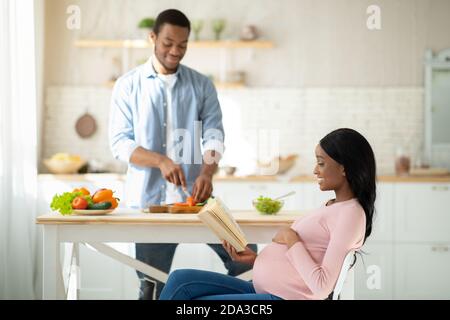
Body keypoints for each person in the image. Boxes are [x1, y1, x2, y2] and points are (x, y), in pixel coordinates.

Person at [109, 9, 256, 300]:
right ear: (153, 37)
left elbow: (214, 134)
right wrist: (160, 161)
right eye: (168, 43)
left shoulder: (202, 84)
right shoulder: (128, 85)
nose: (175, 51)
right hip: (149, 205)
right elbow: (119, 143)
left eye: (183, 45)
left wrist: (206, 172)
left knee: (248, 260)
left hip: (199, 202)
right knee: (152, 287)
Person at [159, 128, 377, 300]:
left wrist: (291, 239)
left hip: (278, 298)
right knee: (179, 280)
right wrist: (256, 260)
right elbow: (303, 262)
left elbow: (321, 288)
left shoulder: (351, 214)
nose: (315, 170)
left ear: (344, 167)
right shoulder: (333, 206)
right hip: (263, 290)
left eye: (321, 163)